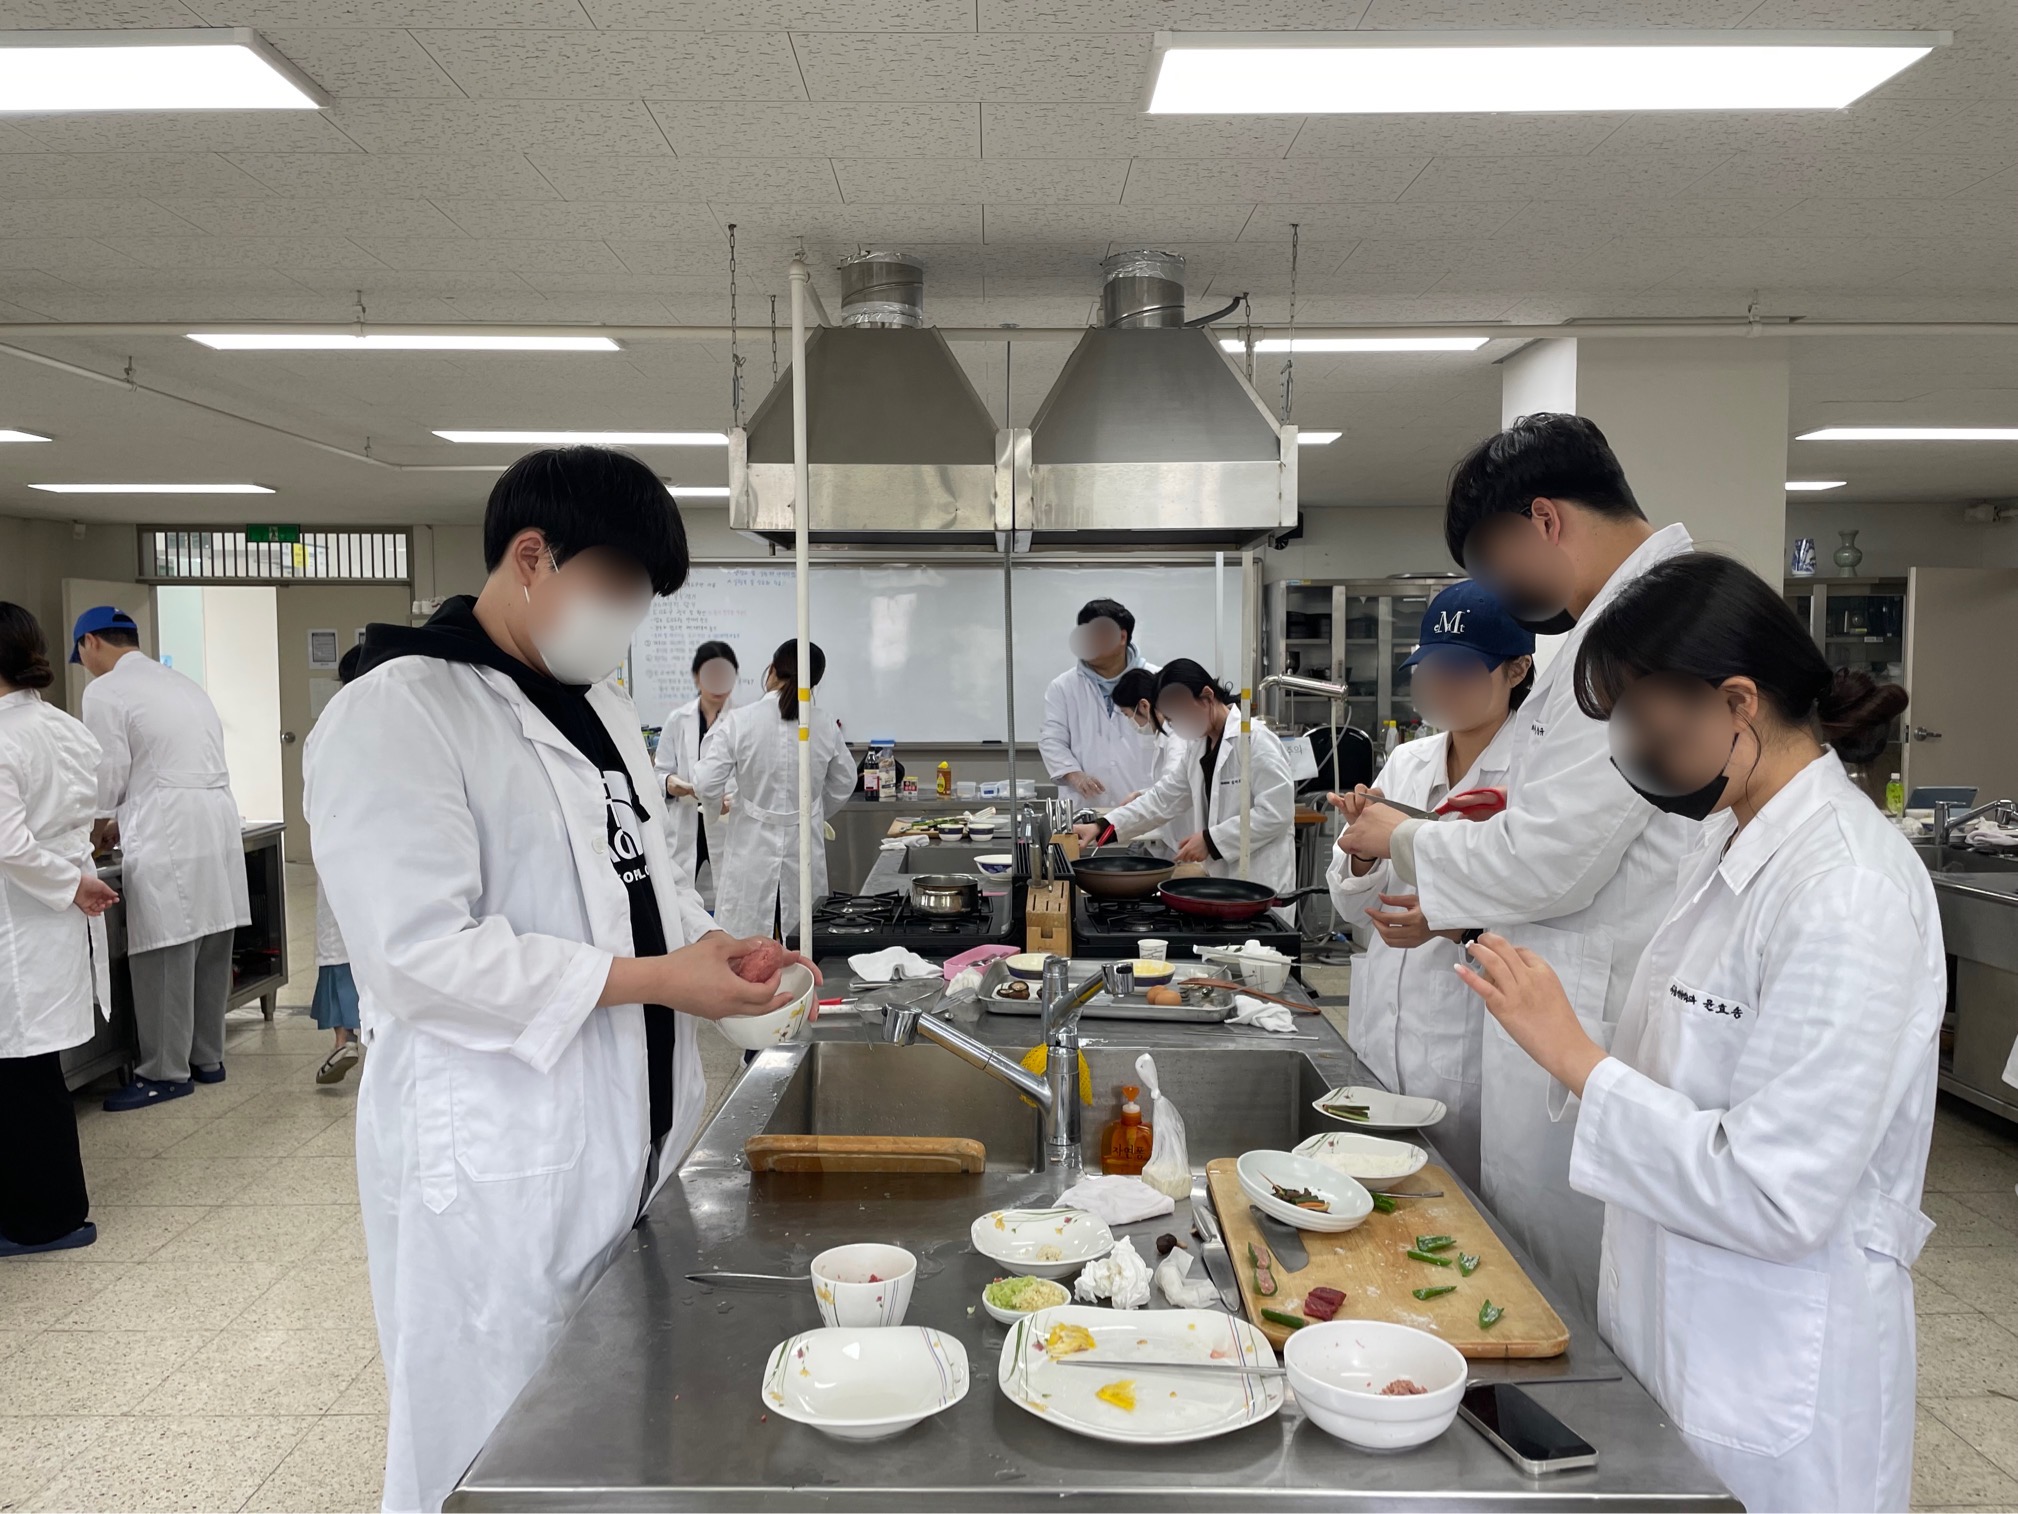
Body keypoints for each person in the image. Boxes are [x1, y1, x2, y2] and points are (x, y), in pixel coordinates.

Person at [304, 446, 810, 1513]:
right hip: (503, 1160)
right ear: (531, 556)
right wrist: (657, 978)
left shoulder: (600, 709)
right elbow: (419, 955)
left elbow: (649, 880)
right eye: (617, 584)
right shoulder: (400, 711)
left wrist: (718, 946)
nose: (628, 614)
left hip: (627, 1138)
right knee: (497, 1441)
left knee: (615, 1422)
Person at [1455, 553, 1938, 1513]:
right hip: (1683, 1318)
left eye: (1641, 717)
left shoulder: (1846, 889)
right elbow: (1689, 1072)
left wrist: (1576, 1058)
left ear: (1737, 702)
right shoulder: (1731, 838)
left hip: (1772, 1362)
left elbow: (1775, 1191)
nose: (1630, 748)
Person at [1335, 413, 1693, 1321]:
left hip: (1592, 1021)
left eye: (1493, 566)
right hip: (1556, 1006)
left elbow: (1545, 858)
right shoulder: (1618, 629)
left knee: (1564, 1295)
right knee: (1527, 1276)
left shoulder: (1646, 633)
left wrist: (1401, 837)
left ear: (1543, 520)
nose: (1500, 590)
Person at [1324, 582, 1533, 1190]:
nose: (1442, 687)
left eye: (1462, 671)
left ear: (1516, 669)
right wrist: (1363, 854)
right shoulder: (1408, 762)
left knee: (1450, 1196)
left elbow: (1542, 902)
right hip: (1382, 1022)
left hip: (1462, 1034)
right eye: (1433, 669)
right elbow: (1353, 905)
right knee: (1374, 1185)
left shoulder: (1534, 774)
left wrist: (1447, 920)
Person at [74, 603, 251, 1111]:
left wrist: (93, 831)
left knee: (166, 951)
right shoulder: (182, 683)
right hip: (215, 822)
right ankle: (207, 1058)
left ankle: (164, 1073)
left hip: (169, 827)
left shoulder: (106, 690)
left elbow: (107, 776)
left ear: (90, 643)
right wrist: (123, 816)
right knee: (211, 942)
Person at [0, 603, 118, 1257]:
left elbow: (10, 844)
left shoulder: (4, 737)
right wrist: (73, 879)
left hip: (22, 924)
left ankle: (44, 1221)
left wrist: (71, 883)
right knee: (34, 1071)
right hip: (50, 921)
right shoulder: (62, 726)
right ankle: (52, 1210)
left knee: (21, 1075)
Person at [1077, 660, 1297, 896]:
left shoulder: (1255, 740)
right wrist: (1102, 827)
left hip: (1261, 878)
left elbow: (1277, 812)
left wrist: (1211, 841)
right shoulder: (1198, 748)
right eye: (1172, 718)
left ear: (1207, 696)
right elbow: (1163, 799)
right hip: (1224, 880)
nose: (1178, 723)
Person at [693, 638, 856, 942]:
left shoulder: (740, 720)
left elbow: (705, 781)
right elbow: (845, 781)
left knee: (747, 946)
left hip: (750, 849)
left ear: (772, 669)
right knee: (801, 943)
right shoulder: (823, 724)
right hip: (802, 847)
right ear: (815, 682)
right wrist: (811, 811)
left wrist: (716, 807)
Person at [1040, 598, 1158, 807]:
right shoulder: (1063, 686)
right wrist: (1075, 775)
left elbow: (1174, 742)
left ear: (1122, 637)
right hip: (1085, 807)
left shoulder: (1157, 680)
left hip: (1143, 806)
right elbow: (1052, 740)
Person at [310, 646, 364, 1087]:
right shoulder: (398, 714)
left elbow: (311, 794)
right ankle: (379, 1035)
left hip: (339, 844)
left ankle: (344, 1037)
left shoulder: (327, 723)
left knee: (339, 945)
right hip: (389, 849)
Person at [653, 639, 738, 898]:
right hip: (686, 822)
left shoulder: (742, 721)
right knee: (682, 899)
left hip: (727, 823)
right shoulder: (678, 720)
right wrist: (674, 784)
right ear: (696, 677)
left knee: (730, 900)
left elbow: (753, 778)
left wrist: (733, 800)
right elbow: (659, 773)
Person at [1106, 666, 1194, 858]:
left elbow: (1171, 794)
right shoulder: (1165, 736)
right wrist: (1140, 794)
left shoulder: (1177, 739)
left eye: (1128, 715)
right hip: (1176, 839)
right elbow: (1172, 785)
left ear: (1144, 706)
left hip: (1187, 841)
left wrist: (1107, 825)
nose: (1129, 722)